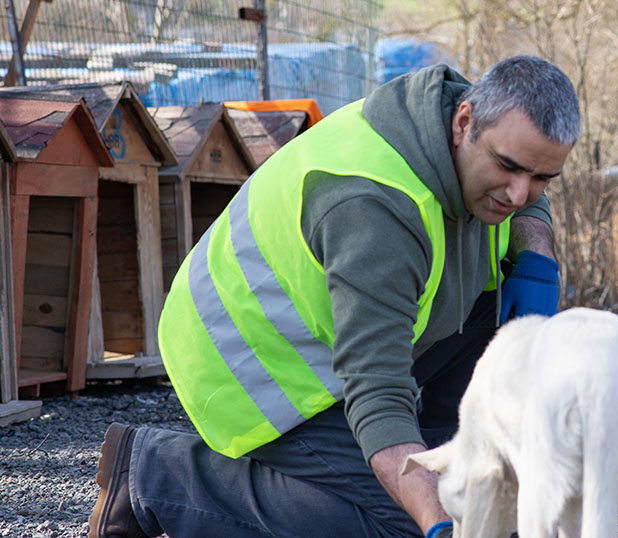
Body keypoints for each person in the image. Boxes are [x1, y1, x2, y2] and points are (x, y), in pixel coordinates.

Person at [87, 55, 580, 538]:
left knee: (494, 340)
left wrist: (537, 256)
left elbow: (527, 189)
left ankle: (445, 463)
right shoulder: (374, 211)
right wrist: (439, 519)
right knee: (403, 523)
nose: (520, 194)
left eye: (541, 178)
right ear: (464, 122)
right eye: (508, 168)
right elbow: (379, 395)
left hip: (339, 330)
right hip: (250, 358)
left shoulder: (466, 121)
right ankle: (156, 475)